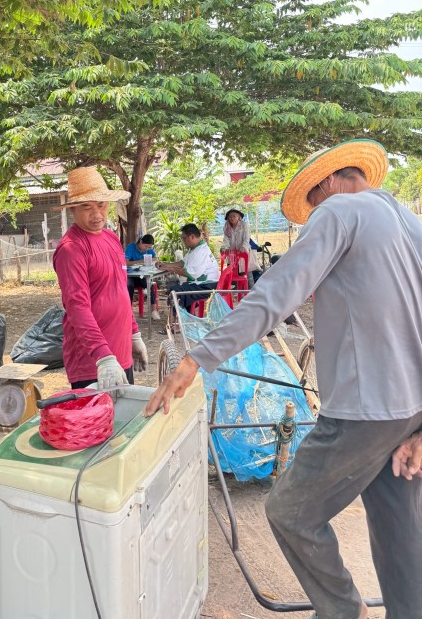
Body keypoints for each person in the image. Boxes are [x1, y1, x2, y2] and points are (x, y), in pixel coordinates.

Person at [146, 139, 422, 619]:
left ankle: (345, 611)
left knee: (291, 511)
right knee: (401, 532)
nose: (314, 212)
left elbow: (274, 295)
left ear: (329, 182)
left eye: (313, 202)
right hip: (410, 411)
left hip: (364, 409)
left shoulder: (338, 212)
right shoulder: (410, 222)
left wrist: (197, 359)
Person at [53, 166, 148, 393]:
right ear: (73, 209)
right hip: (94, 363)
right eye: (87, 207)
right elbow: (77, 307)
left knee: (125, 414)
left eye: (101, 205)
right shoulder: (71, 249)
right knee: (99, 416)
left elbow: (119, 290)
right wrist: (103, 356)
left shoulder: (111, 238)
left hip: (120, 354)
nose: (96, 214)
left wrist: (134, 334)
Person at [155, 223, 219, 314]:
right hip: (202, 284)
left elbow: (189, 273)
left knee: (176, 291)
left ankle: (177, 320)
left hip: (207, 286)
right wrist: (166, 265)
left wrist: (170, 268)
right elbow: (182, 263)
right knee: (179, 288)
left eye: (184, 238)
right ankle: (188, 315)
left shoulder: (200, 251)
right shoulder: (196, 249)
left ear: (192, 236)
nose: (183, 241)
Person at [125, 233, 160, 321]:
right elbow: (126, 262)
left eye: (149, 247)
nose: (146, 249)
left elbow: (156, 259)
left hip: (142, 275)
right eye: (145, 246)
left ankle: (153, 311)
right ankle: (128, 311)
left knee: (149, 284)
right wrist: (141, 261)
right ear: (140, 242)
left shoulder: (149, 250)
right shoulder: (131, 247)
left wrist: (149, 261)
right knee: (129, 285)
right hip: (131, 275)